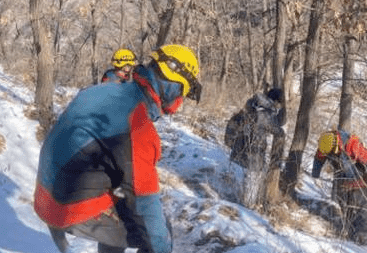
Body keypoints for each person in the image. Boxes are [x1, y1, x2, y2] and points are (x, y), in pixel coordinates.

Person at [34, 44, 202, 253]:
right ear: (173, 86)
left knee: (123, 202)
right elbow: (146, 203)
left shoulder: (101, 89)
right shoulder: (139, 126)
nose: (180, 101)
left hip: (43, 193)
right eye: (182, 93)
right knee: (158, 230)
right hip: (64, 208)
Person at [311, 129, 367, 244]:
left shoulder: (351, 145)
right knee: (342, 202)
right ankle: (347, 230)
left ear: (335, 145)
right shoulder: (325, 144)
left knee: (360, 206)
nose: (327, 155)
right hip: (341, 175)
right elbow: (319, 158)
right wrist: (315, 174)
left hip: (360, 176)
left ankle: (361, 236)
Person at [224, 88, 285, 208]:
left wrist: (231, 143)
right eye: (279, 104)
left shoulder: (250, 105)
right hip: (254, 155)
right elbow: (278, 132)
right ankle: (245, 211)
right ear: (276, 102)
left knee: (233, 190)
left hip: (238, 151)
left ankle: (230, 207)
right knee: (249, 195)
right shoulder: (266, 114)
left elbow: (234, 122)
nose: (278, 108)